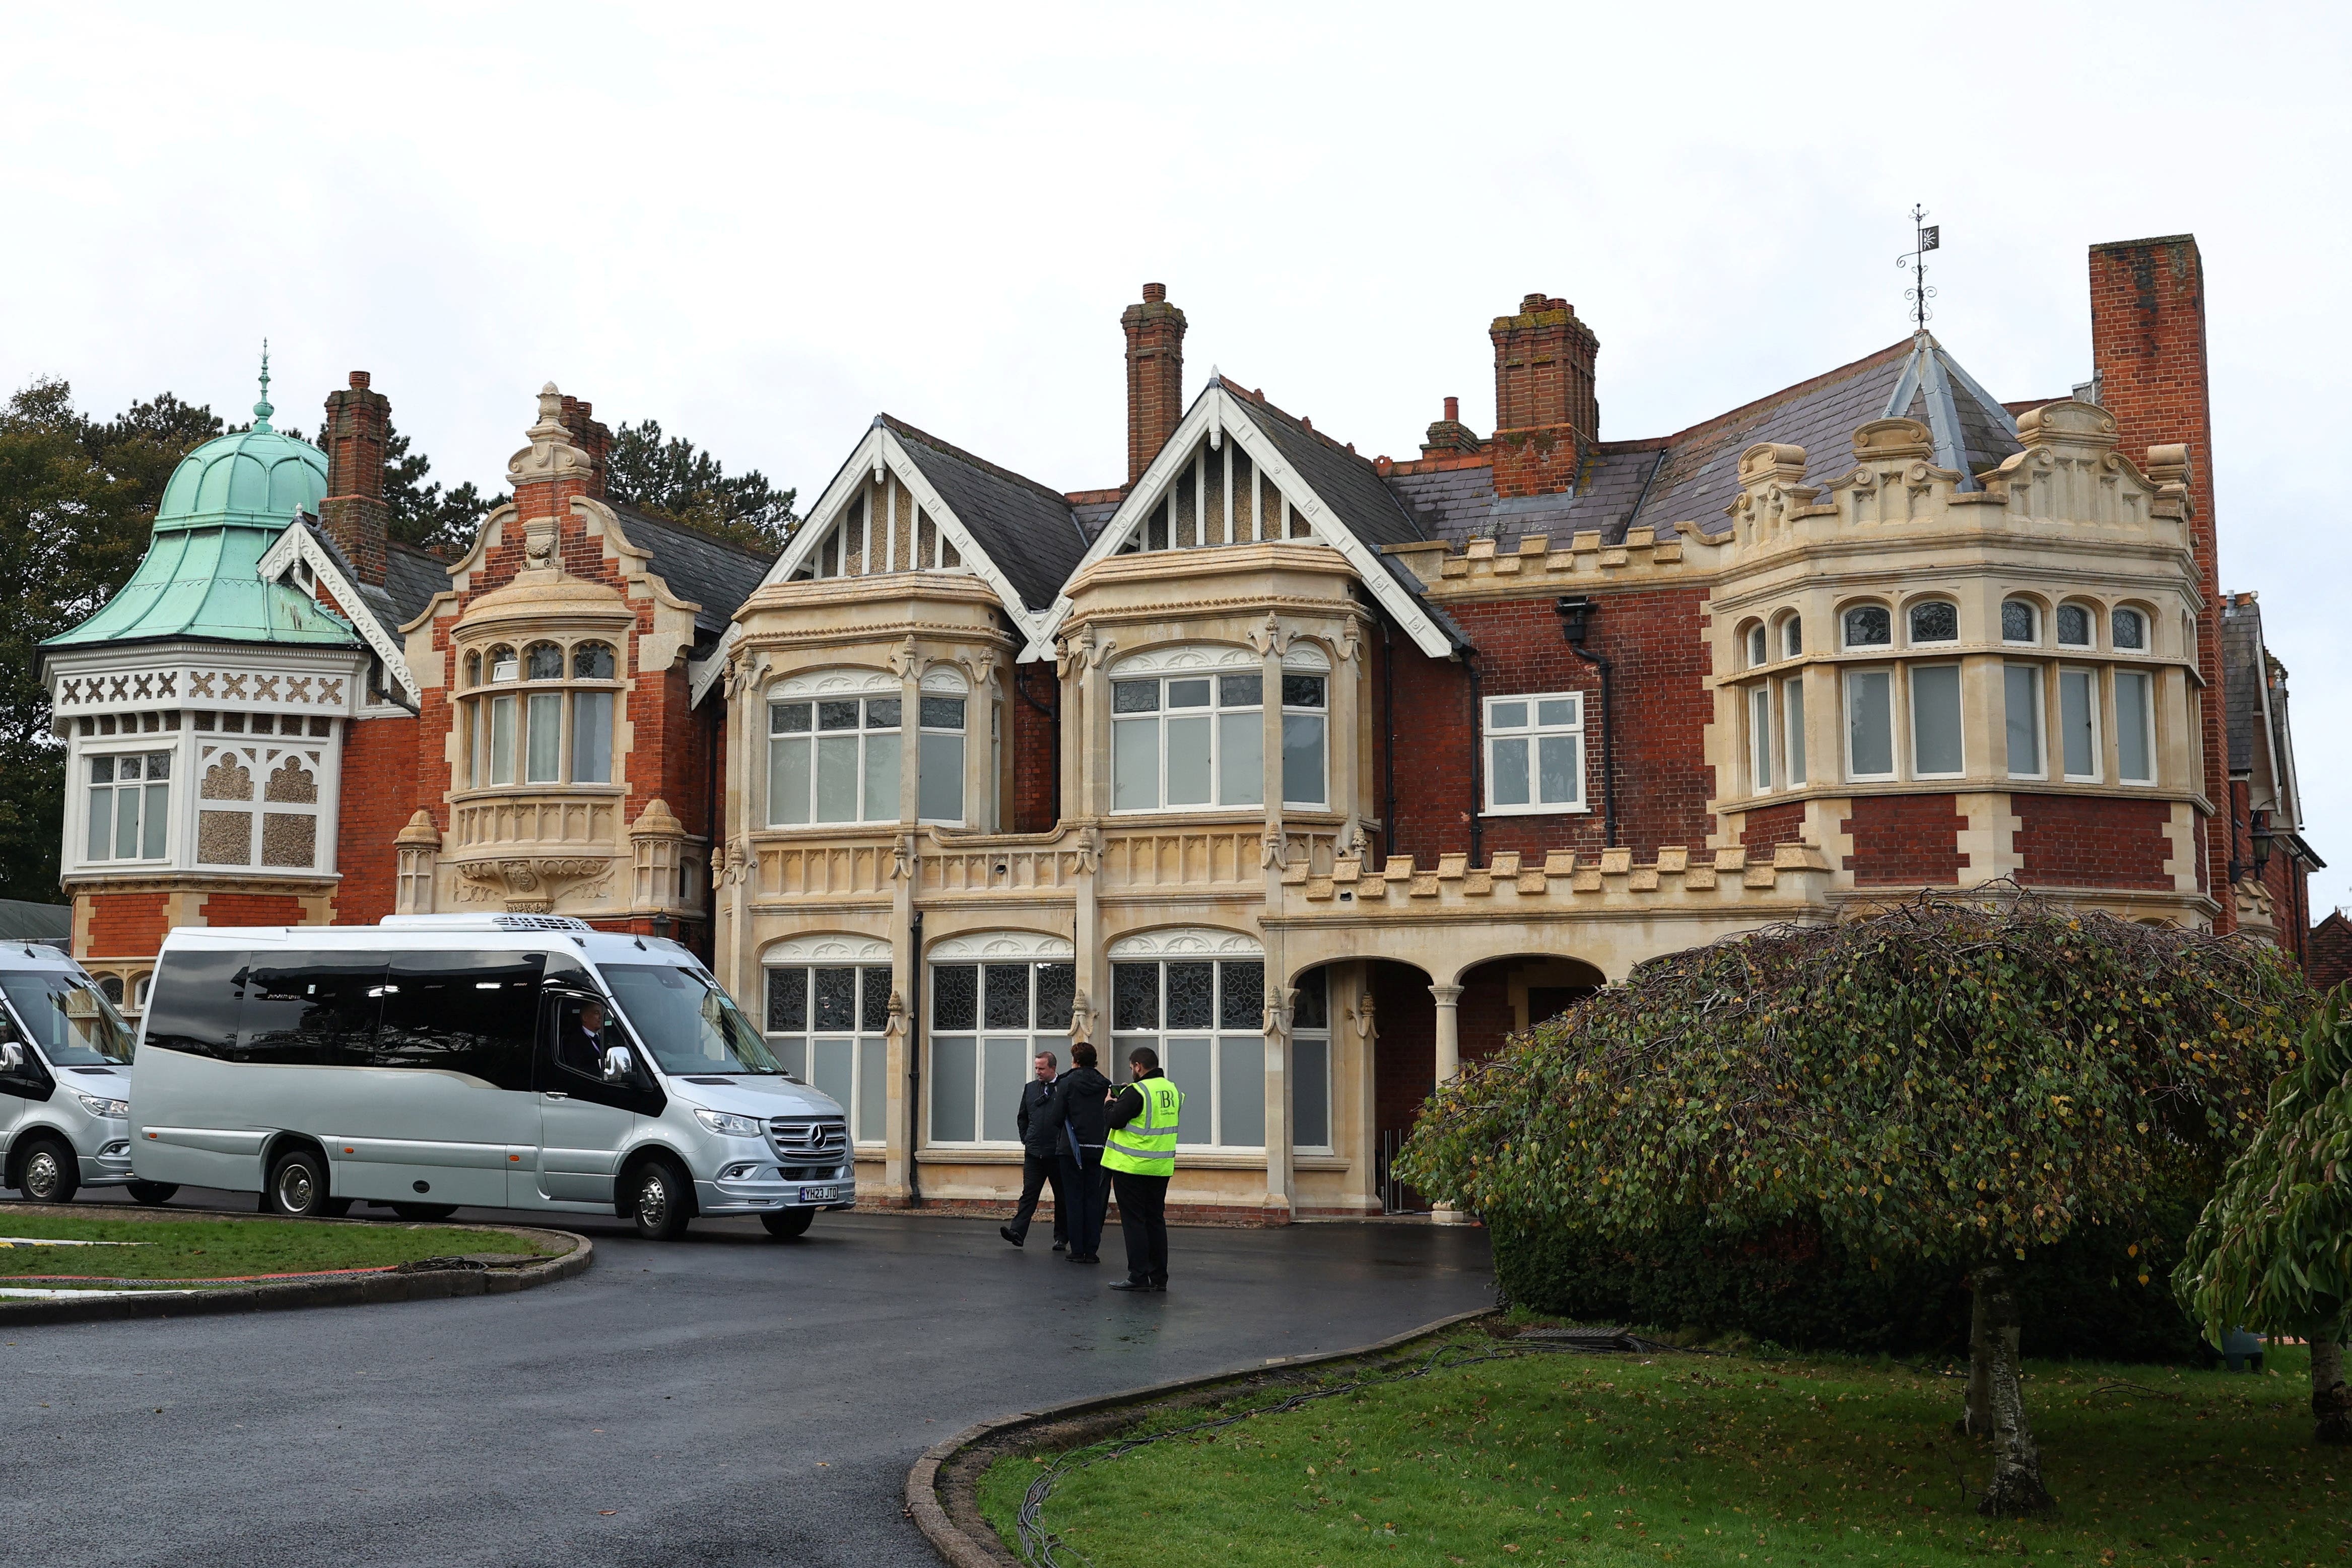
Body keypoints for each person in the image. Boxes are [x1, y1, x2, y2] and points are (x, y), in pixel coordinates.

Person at [1101, 1045, 1182, 1293]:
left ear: (1138, 1066)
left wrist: (1108, 1104)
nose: (1132, 1072)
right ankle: (1159, 1277)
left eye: (1132, 1068)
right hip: (1160, 1166)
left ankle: (1138, 1275)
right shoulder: (1172, 1090)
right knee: (1155, 1220)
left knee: (1135, 1221)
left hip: (1132, 1166)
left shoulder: (1137, 1091)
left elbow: (1115, 1120)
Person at [1030, 1040, 1110, 1264]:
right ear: (1095, 1061)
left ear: (1075, 1061)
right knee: (1093, 1199)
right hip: (1098, 1149)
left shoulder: (1065, 1084)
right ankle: (1092, 1250)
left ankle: (1078, 1249)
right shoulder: (1106, 1084)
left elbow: (1056, 1118)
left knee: (1073, 1199)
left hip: (1071, 1149)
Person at [1001, 1049, 1067, 1250]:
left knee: (1062, 1197)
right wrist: (1026, 1139)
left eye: (1042, 1068)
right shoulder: (1031, 1089)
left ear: (1053, 1068)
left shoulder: (1064, 1088)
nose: (1038, 1072)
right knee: (1029, 1195)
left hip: (1057, 1153)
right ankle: (1018, 1233)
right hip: (1034, 1153)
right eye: (1036, 1068)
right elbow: (1023, 1116)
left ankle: (1062, 1237)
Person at [562, 1000, 611, 1076]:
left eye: (602, 1013)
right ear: (585, 1018)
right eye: (596, 1013)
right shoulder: (574, 1041)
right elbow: (576, 1068)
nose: (601, 1017)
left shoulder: (606, 1038)